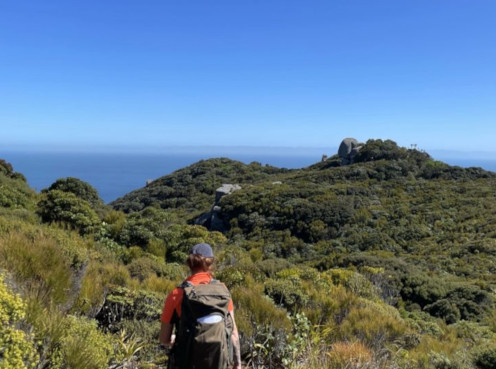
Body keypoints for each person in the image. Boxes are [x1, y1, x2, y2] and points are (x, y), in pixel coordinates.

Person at [160, 243, 242, 369]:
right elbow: (233, 334)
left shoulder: (176, 294)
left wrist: (182, 338)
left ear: (189, 264)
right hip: (218, 362)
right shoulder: (223, 292)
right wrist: (237, 364)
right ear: (211, 263)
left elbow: (164, 339)